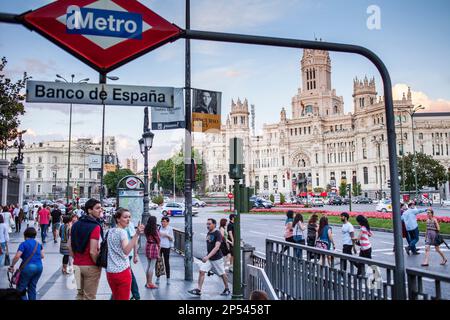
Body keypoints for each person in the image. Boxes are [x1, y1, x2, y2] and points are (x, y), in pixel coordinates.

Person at [68, 198, 104, 300]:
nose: (100, 210)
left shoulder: (75, 225)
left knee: (80, 294)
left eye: (100, 208)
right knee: (89, 297)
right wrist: (97, 263)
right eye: (97, 208)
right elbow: (93, 251)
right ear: (89, 210)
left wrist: (76, 258)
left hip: (77, 265)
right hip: (91, 266)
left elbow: (69, 246)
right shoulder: (95, 227)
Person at [106, 208, 144, 300]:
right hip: (122, 271)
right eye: (125, 217)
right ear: (118, 219)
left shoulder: (110, 231)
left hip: (110, 271)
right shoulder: (122, 232)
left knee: (116, 297)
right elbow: (126, 251)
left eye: (129, 217)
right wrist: (136, 234)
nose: (128, 219)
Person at [188, 218, 230, 297]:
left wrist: (207, 257)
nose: (207, 225)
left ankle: (227, 288)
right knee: (202, 271)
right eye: (207, 224)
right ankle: (199, 289)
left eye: (209, 224)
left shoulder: (217, 233)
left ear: (214, 224)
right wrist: (207, 256)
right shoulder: (208, 233)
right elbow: (209, 246)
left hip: (217, 258)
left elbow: (217, 247)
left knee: (222, 274)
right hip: (210, 258)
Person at [8, 227, 44, 300]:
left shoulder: (23, 244)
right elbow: (42, 256)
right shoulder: (38, 244)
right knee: (32, 287)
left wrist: (12, 265)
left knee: (21, 288)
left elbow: (17, 256)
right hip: (39, 267)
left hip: (28, 268)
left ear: (25, 235)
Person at [124, 218, 140, 300]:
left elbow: (135, 239)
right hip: (123, 254)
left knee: (129, 274)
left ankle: (136, 295)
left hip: (128, 253)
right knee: (129, 273)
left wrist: (135, 255)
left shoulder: (129, 224)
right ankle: (136, 294)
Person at [144, 216, 160, 289]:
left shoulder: (146, 228)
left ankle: (147, 282)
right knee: (152, 266)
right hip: (153, 246)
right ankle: (150, 283)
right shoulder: (154, 229)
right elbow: (158, 239)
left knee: (148, 265)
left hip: (148, 245)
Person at [157, 216, 174, 285]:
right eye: (162, 221)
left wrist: (167, 235)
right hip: (159, 247)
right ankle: (158, 277)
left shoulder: (170, 229)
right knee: (158, 262)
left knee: (166, 262)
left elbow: (172, 239)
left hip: (167, 247)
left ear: (167, 222)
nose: (163, 223)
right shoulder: (159, 227)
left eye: (164, 221)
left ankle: (168, 278)